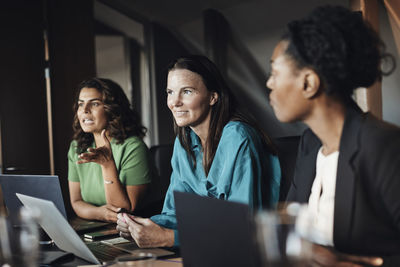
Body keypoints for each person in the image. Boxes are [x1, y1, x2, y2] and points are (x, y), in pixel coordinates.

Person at [266, 5, 400, 266]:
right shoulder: (309, 145)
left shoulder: (383, 146)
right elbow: (291, 231)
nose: (269, 83)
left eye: (274, 73)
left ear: (308, 83)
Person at [116, 55, 281, 248]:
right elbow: (174, 213)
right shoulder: (183, 141)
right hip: (202, 250)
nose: (174, 102)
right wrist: (142, 226)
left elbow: (241, 228)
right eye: (170, 92)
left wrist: (168, 238)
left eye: (186, 91)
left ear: (213, 97)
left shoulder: (238, 137)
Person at [68, 78, 152, 223]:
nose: (85, 110)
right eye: (81, 104)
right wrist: (99, 213)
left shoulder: (133, 148)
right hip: (96, 226)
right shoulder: (76, 147)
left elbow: (124, 210)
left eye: (94, 103)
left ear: (112, 109)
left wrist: (107, 165)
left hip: (132, 229)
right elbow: (76, 202)